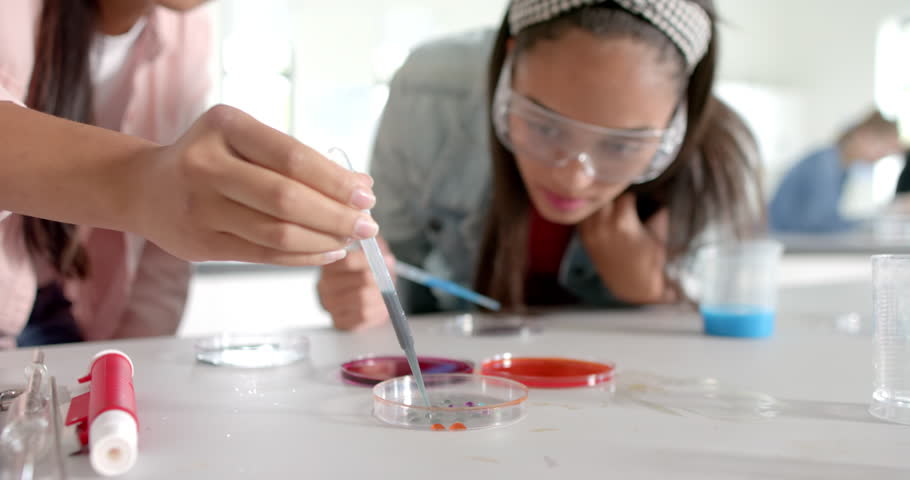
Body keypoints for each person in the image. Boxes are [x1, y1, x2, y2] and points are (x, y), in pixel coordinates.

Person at [318, 0, 764, 330]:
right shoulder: (430, 96)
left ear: (677, 116)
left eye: (621, 146)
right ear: (510, 64)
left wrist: (655, 292)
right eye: (545, 127)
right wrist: (368, 295)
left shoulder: (717, 163)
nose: (573, 179)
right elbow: (398, 270)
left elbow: (723, 314)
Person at [1, 0, 379, 347]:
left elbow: (159, 262)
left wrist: (128, 368)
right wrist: (143, 184)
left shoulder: (187, 29)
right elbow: (166, 196)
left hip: (60, 314)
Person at [769, 110, 904, 233]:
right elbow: (823, 224)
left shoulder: (841, 167)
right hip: (786, 243)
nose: (881, 156)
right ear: (864, 136)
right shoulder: (824, 165)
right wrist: (880, 215)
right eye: (884, 148)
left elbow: (830, 220)